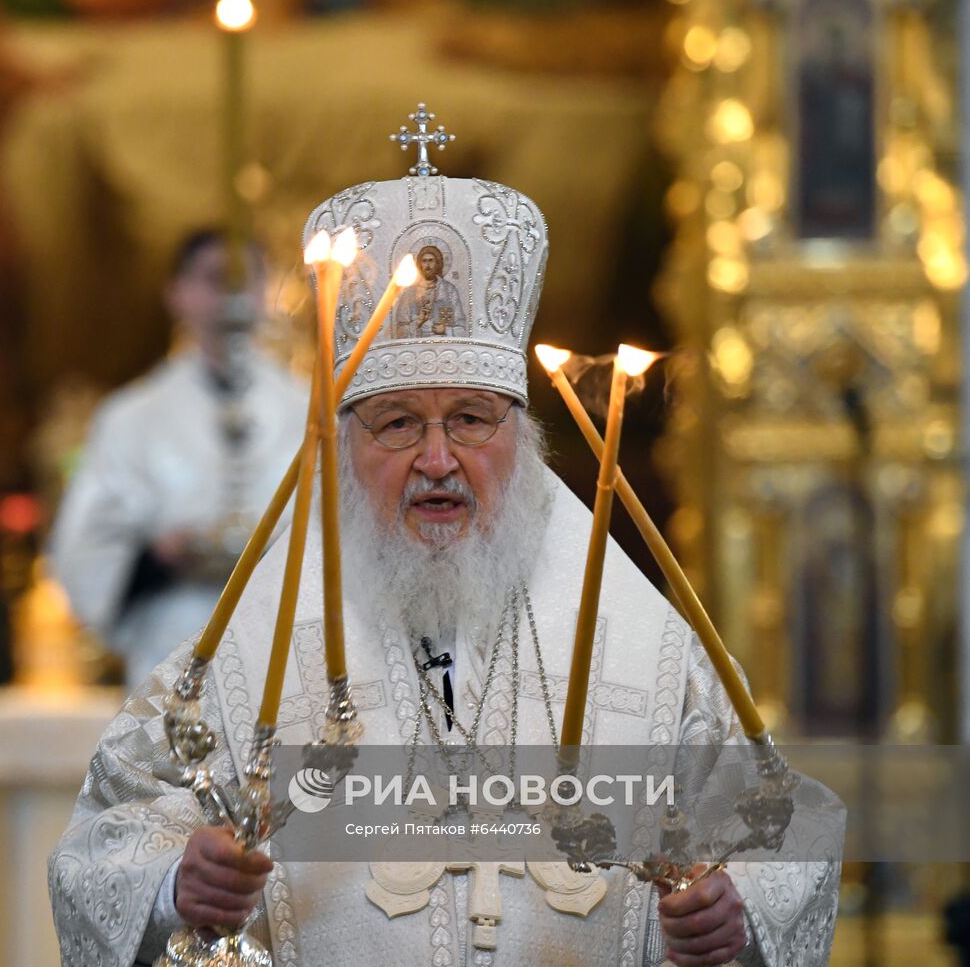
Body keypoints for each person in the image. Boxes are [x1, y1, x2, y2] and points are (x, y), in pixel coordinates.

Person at [50, 178, 842, 965]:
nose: (437, 461)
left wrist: (734, 911)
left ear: (524, 441)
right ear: (345, 451)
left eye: (470, 418)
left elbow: (786, 818)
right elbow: (105, 837)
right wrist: (175, 884)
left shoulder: (644, 645)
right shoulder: (245, 656)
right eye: (397, 424)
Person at [49, 230, 307, 689]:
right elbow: (82, 549)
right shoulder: (131, 417)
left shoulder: (310, 411)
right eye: (213, 279)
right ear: (177, 294)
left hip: (286, 649)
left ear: (267, 290)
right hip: (171, 645)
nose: (230, 296)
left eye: (244, 278)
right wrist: (156, 557)